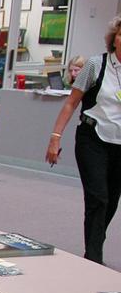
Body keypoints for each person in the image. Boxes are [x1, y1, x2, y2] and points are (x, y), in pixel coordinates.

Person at [46, 15, 121, 264]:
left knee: (111, 201)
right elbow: (71, 103)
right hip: (92, 138)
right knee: (98, 197)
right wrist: (55, 138)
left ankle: (96, 241)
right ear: (114, 38)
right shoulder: (95, 64)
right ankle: (93, 257)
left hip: (119, 144)